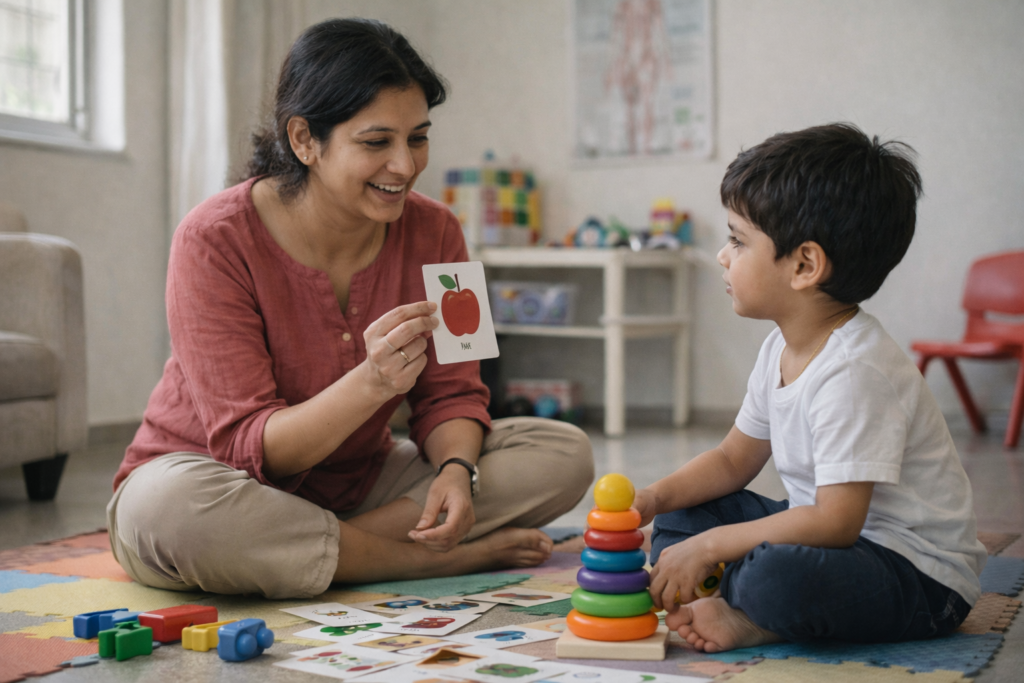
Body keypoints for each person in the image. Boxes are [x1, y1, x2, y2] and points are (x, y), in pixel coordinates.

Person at [106, 18, 593, 600]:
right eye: (376, 142)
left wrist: (456, 473)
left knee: (562, 453)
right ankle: (419, 561)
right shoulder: (212, 238)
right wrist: (372, 382)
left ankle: (327, 551)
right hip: (215, 483)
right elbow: (250, 448)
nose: (405, 166)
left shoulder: (439, 231)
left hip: (360, 484)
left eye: (417, 137)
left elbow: (454, 392)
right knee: (167, 512)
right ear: (304, 139)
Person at [634, 123, 986, 652]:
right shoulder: (781, 346)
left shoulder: (855, 370)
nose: (722, 256)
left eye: (737, 240)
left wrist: (710, 549)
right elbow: (733, 460)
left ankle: (755, 613)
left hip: (916, 577)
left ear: (804, 265)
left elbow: (835, 522)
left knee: (775, 576)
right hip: (833, 542)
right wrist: (655, 497)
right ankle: (731, 592)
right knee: (686, 513)